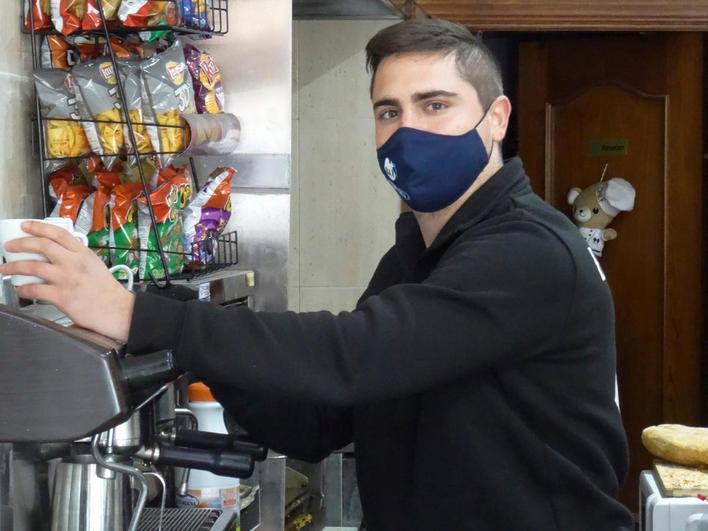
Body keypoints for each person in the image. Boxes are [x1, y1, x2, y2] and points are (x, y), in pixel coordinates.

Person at [1, 20, 634, 531]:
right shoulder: (417, 253)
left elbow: (355, 356)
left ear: (495, 119)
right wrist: (189, 341)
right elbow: (322, 420)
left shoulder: (529, 249)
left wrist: (138, 316)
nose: (406, 131)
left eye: (434, 105)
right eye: (388, 112)